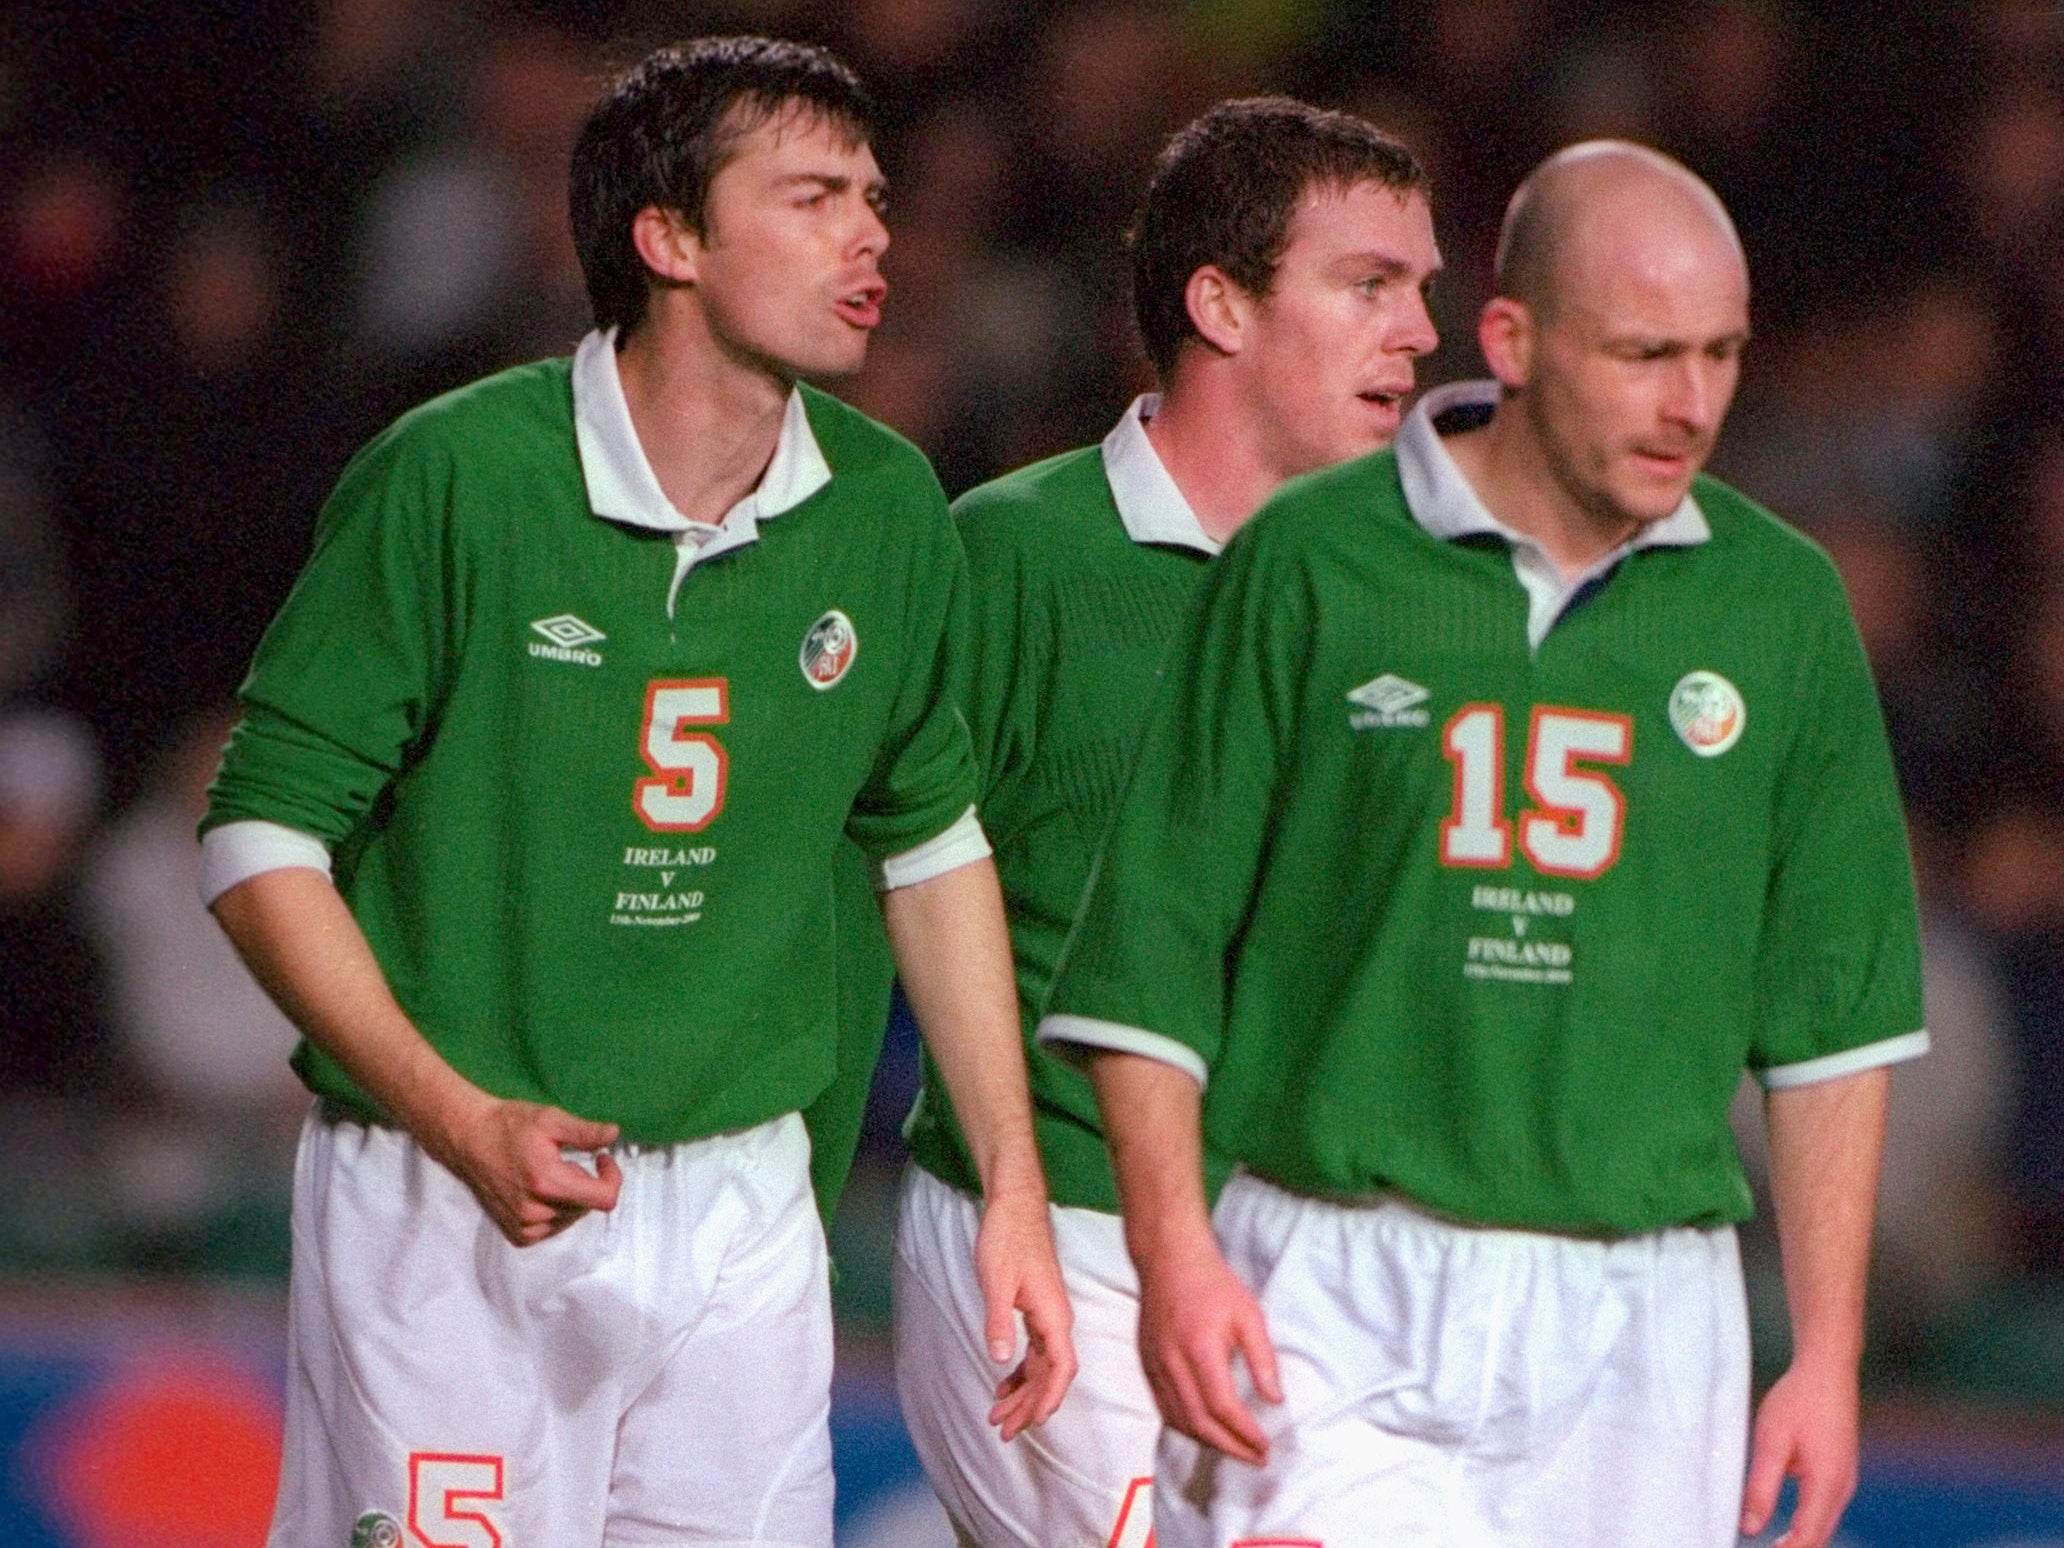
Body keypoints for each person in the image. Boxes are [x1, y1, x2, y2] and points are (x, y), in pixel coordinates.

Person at [200, 38, 1072, 1548]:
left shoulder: (887, 504)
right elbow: (260, 837)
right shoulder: (457, 478)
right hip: (448, 1193)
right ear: (668, 238)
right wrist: (458, 1115)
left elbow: (932, 850)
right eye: (812, 197)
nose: (872, 233)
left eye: (873, 196)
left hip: (741, 1206)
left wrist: (1011, 1182)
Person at [1039, 140, 1926, 1548]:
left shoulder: (1783, 608)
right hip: (1327, 1289)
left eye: (1721, 355)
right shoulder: (1311, 562)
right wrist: (1174, 1251)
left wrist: (1823, 1359)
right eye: (1644, 354)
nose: (1689, 403)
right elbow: (1151, 950)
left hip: (1648, 1320)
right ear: (1512, 340)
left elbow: (1832, 1026)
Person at [888, 98, 1438, 1548]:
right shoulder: (1013, 557)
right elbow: (869, 882)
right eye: (1371, 285)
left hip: (1319, 1257)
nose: (1421, 334)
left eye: (1424, 290)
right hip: (1058, 1227)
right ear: (1221, 304)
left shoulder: (1427, 594)